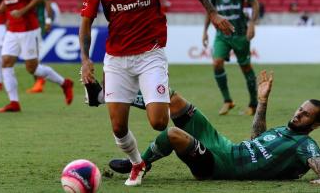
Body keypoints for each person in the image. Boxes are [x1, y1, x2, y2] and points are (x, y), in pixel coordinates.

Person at [79, 0, 234, 187]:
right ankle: (138, 163)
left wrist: (212, 12)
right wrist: (85, 60)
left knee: (159, 121)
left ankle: (108, 94)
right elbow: (85, 23)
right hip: (116, 60)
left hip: (150, 55)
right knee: (118, 128)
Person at [108, 71, 320, 184]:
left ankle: (140, 163)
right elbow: (257, 138)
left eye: (306, 114)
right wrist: (262, 102)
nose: (298, 114)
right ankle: (108, 95)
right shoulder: (283, 131)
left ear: (316, 124)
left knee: (172, 134)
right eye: (300, 109)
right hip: (225, 147)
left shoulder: (304, 144)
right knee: (173, 99)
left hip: (221, 166)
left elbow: (317, 163)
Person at [202, 0, 260, 116]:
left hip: (240, 32)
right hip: (222, 33)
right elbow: (209, 9)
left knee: (245, 67)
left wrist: (252, 24)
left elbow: (254, 2)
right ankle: (228, 101)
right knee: (217, 63)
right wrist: (205, 31)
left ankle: (253, 104)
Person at [22, 0, 54, 93]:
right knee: (29, 53)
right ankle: (38, 82)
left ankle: (40, 82)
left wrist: (48, 20)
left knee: (34, 53)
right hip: (25, 22)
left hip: (38, 21)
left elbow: (47, 0)